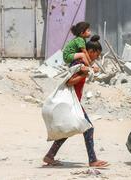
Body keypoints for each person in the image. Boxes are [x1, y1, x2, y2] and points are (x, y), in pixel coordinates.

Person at [43, 35, 108, 167]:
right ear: (91, 52)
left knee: (69, 128)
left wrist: (89, 71)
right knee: (88, 128)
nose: (96, 58)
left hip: (74, 102)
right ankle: (93, 160)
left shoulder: (84, 64)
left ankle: (50, 156)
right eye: (97, 55)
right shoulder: (78, 63)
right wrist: (85, 73)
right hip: (72, 102)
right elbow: (69, 82)